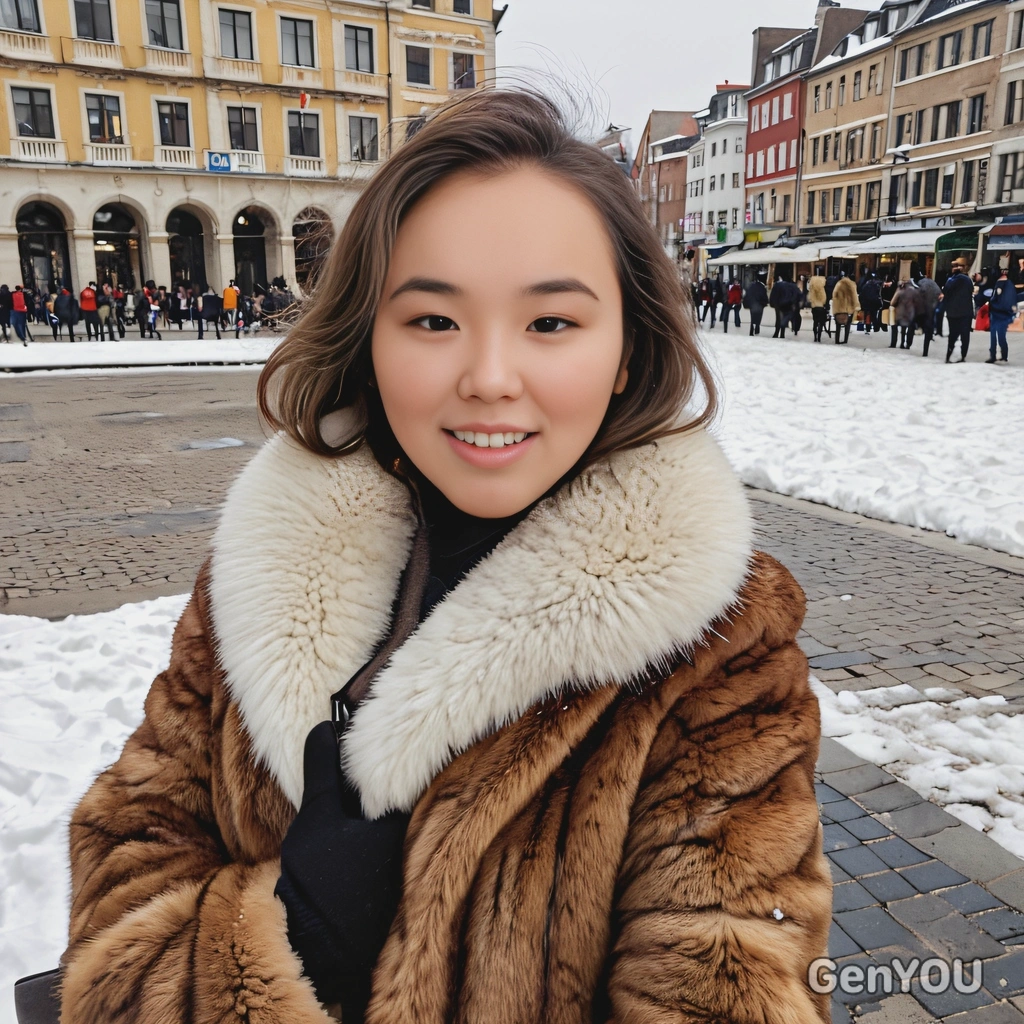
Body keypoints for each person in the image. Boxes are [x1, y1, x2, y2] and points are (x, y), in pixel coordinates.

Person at [57, 88, 831, 1024]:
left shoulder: (719, 645)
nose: (489, 379)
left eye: (551, 323)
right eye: (432, 321)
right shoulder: (256, 576)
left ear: (626, 350)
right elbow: (128, 849)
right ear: (369, 340)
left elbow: (734, 975)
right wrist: (279, 946)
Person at [941, 258, 974, 363]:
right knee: (965, 336)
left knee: (953, 335)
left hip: (953, 313)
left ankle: (948, 355)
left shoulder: (950, 281)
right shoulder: (967, 280)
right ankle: (963, 356)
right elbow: (971, 291)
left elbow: (945, 293)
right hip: (966, 312)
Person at [987, 267, 1016, 363]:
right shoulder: (1008, 284)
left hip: (999, 313)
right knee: (1000, 335)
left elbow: (999, 299)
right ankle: (1003, 355)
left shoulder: (1001, 284)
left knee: (996, 335)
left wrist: (993, 305)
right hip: (1002, 314)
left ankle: (994, 355)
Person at [913, 273, 941, 357]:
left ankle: (909, 342)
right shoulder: (935, 285)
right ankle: (925, 351)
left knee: (917, 324)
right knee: (929, 330)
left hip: (923, 309)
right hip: (931, 309)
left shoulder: (920, 283)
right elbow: (939, 295)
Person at [830, 272, 859, 345]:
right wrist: (856, 306)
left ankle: (837, 340)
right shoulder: (852, 284)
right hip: (848, 308)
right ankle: (845, 340)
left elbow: (834, 295)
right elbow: (854, 297)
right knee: (848, 325)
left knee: (838, 325)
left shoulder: (838, 284)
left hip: (839, 307)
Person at [891, 279, 920, 350]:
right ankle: (907, 344)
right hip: (910, 314)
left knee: (896, 327)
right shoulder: (915, 293)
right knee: (908, 328)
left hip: (900, 313)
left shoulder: (900, 291)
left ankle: (896, 343)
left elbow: (892, 302)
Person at [769, 270, 795, 338]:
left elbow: (773, 295)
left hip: (778, 304)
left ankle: (776, 332)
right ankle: (782, 333)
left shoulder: (777, 285)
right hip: (786, 304)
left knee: (778, 318)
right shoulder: (789, 285)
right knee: (784, 318)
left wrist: (772, 303)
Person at [808, 267, 829, 343]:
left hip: (814, 305)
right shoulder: (824, 282)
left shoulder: (812, 282)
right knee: (821, 322)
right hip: (821, 305)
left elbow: (810, 293)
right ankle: (819, 337)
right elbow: (827, 294)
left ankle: (815, 337)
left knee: (815, 321)